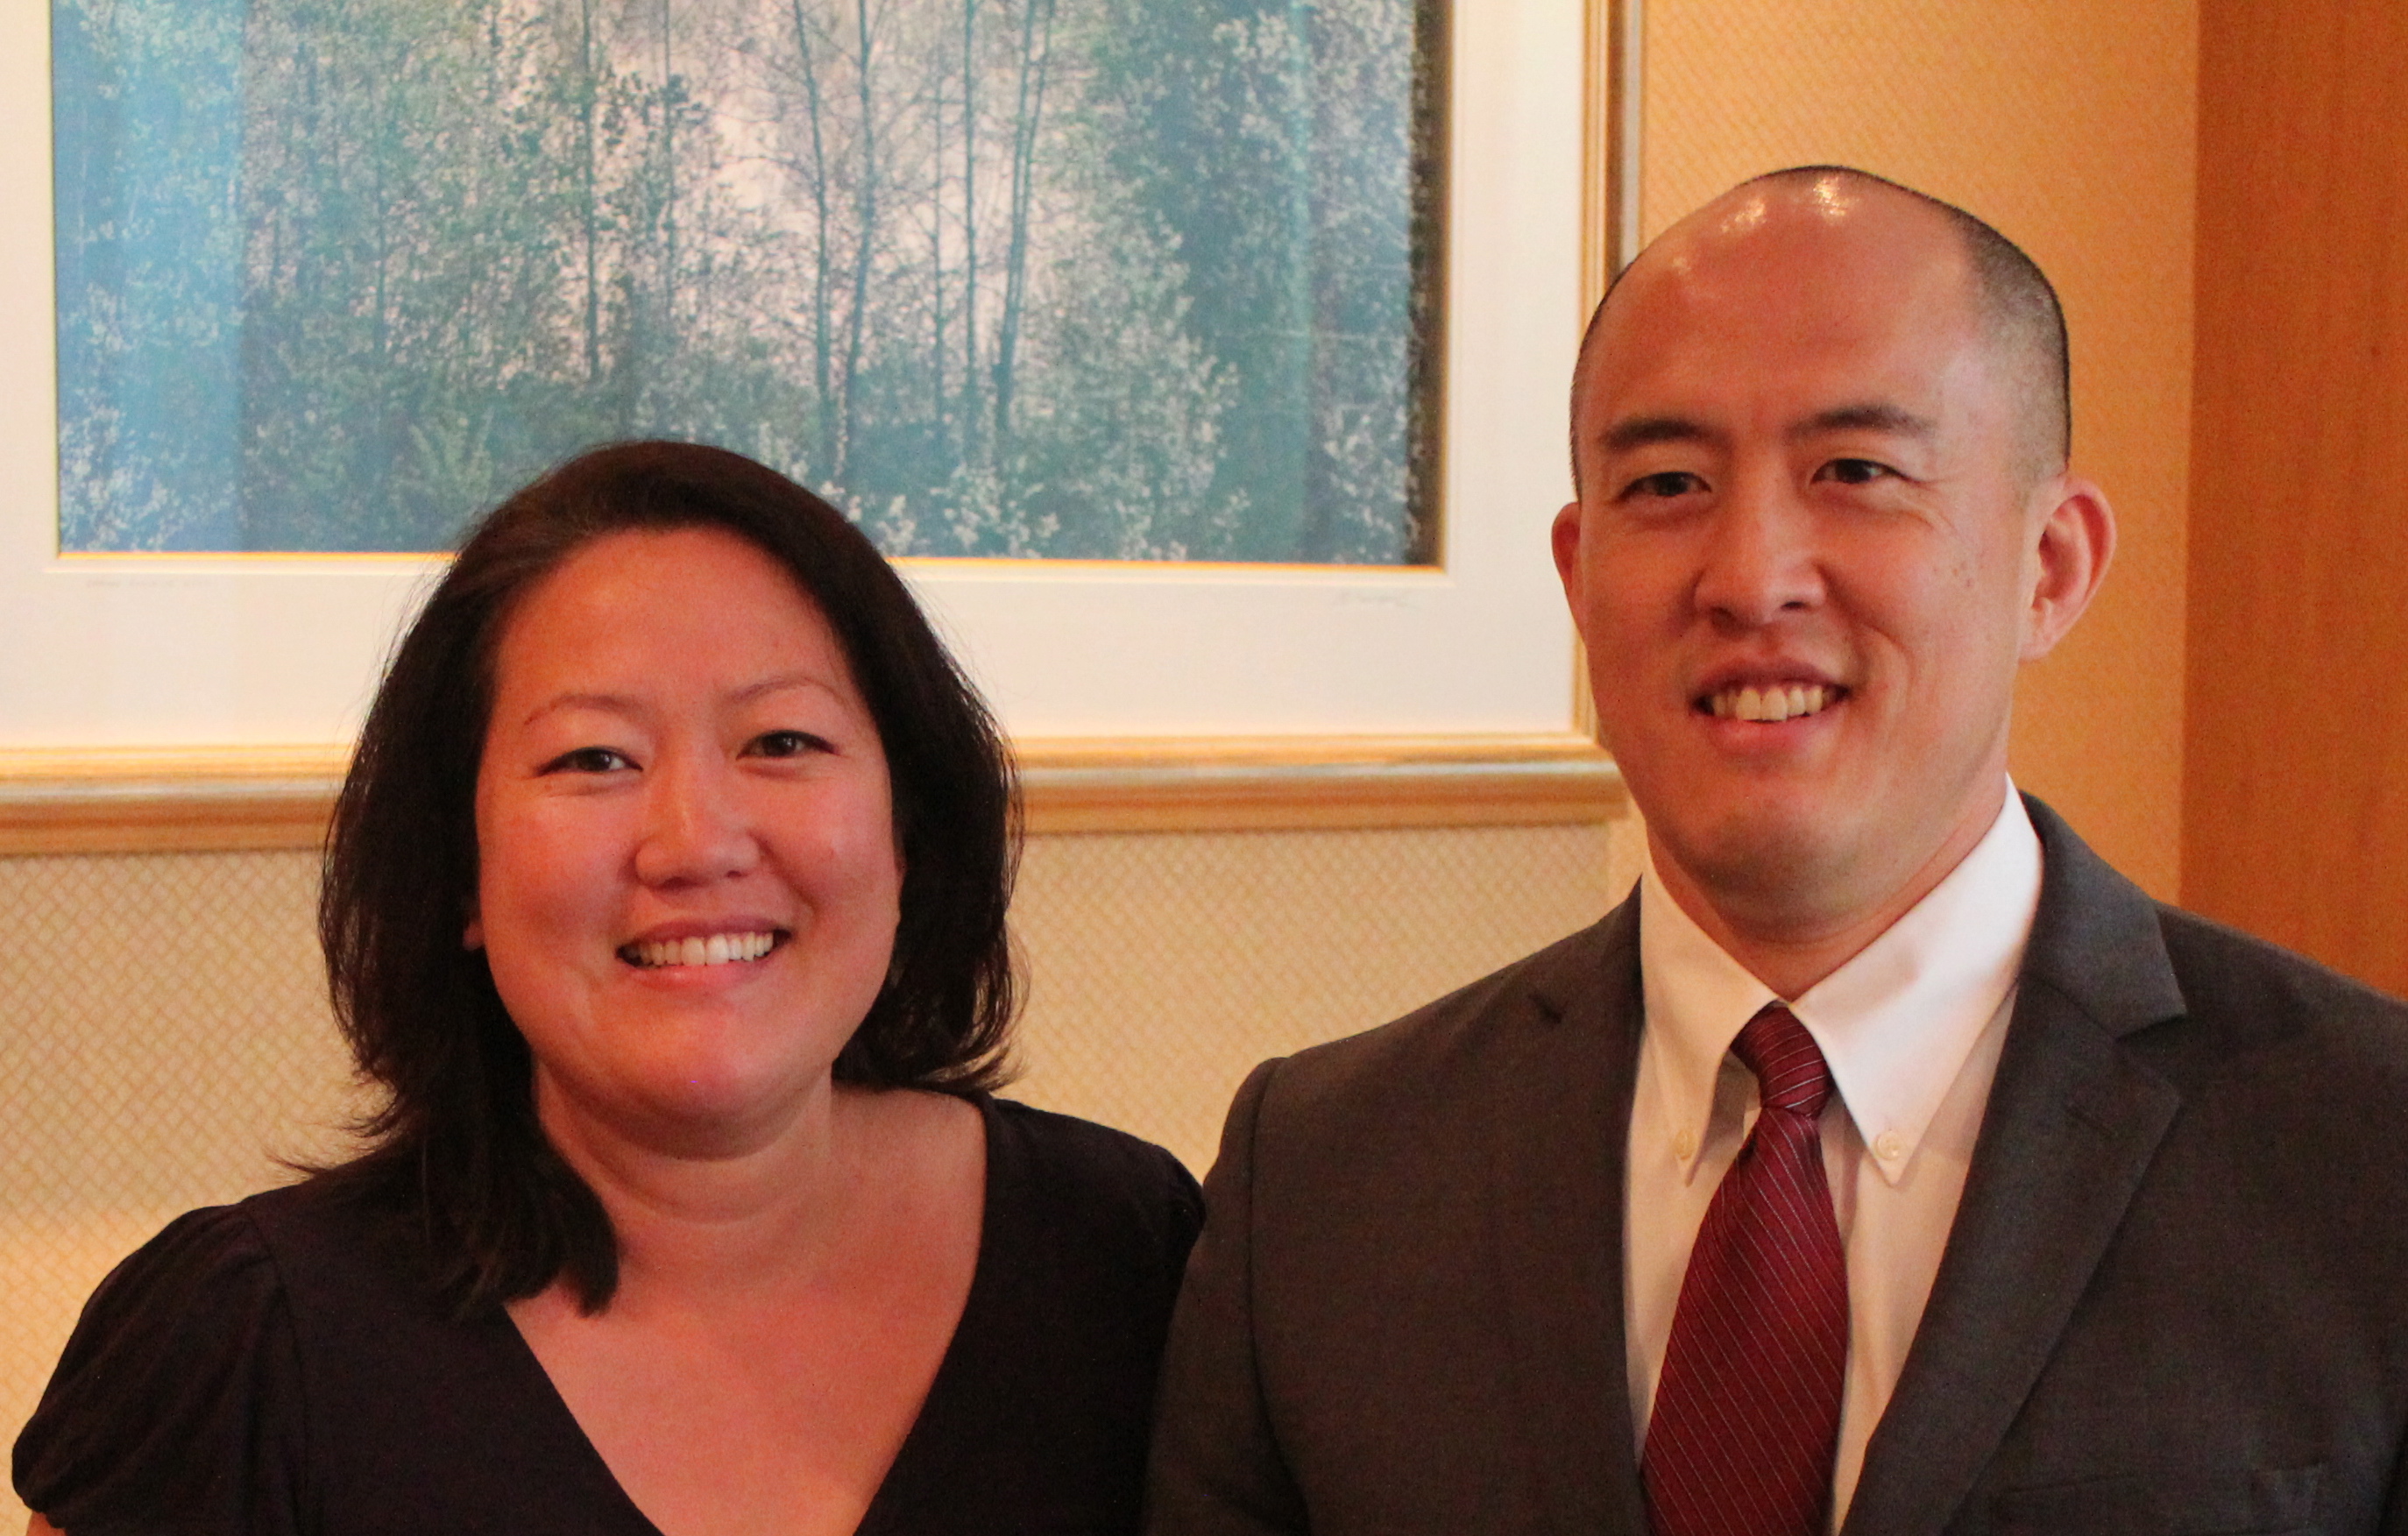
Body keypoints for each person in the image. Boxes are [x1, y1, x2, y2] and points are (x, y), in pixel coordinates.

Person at [1146, 167, 2408, 1535]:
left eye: (1856, 472)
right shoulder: (1321, 1183)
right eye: (1667, 484)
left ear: (2050, 564)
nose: (1751, 576)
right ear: (1578, 574)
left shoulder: (2364, 1153)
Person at [17, 441, 1202, 1536]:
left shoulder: (1127, 1254)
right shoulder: (251, 1350)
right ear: (461, 870)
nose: (695, 842)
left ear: (909, 834)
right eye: (594, 758)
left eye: (782, 742)